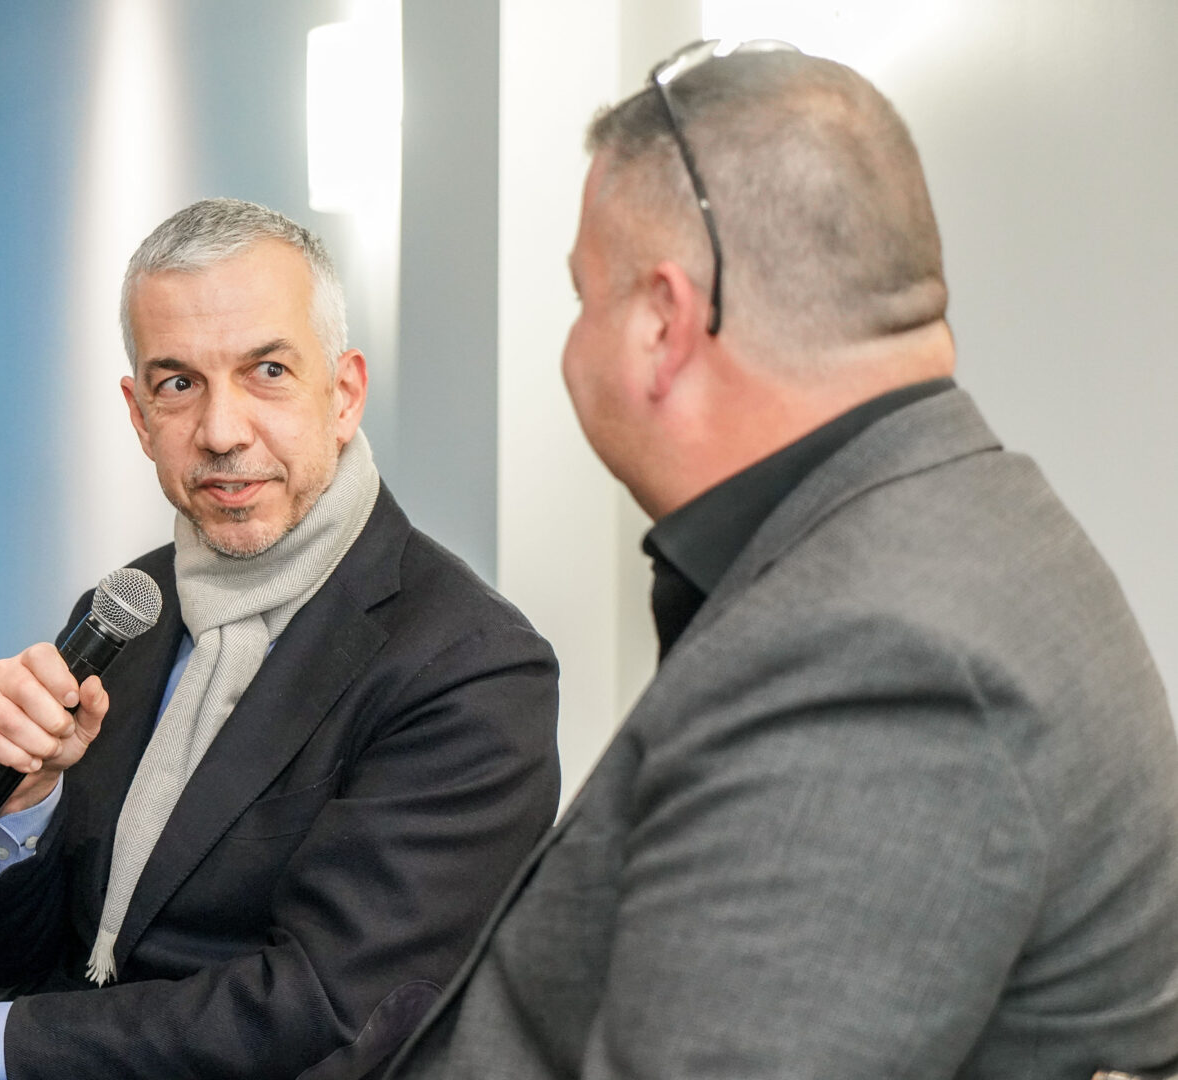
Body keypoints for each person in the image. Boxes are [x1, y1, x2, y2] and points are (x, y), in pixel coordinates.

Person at [384, 40, 1178, 1080]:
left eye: (583, 297)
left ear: (663, 322)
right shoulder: (943, 518)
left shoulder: (874, 652)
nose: (572, 342)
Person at [0, 199, 560, 1080]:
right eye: (179, 384)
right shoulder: (128, 607)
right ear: (140, 416)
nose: (221, 431)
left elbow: (328, 1006)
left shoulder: (468, 664)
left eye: (269, 371)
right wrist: (22, 812)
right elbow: (14, 969)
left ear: (345, 393)